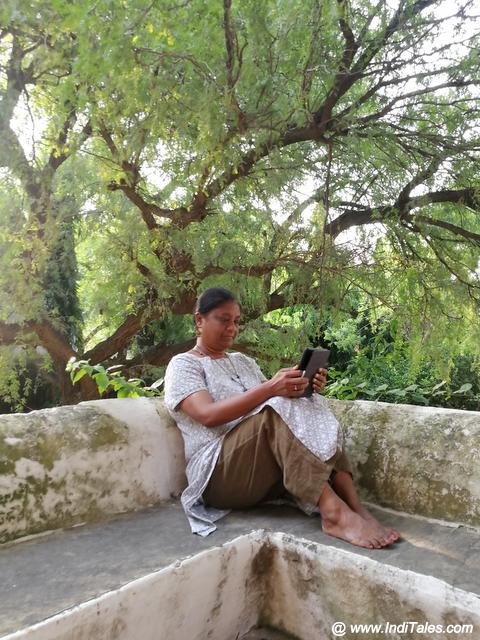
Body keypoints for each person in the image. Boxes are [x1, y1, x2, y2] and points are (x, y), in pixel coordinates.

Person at [164, 287, 400, 548]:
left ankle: (355, 506)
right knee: (275, 410)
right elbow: (208, 415)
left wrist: (301, 386)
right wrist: (271, 387)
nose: (232, 327)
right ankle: (333, 513)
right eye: (224, 319)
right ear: (199, 320)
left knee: (310, 403)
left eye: (237, 321)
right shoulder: (184, 364)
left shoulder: (244, 362)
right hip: (218, 475)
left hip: (262, 474)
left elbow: (276, 403)